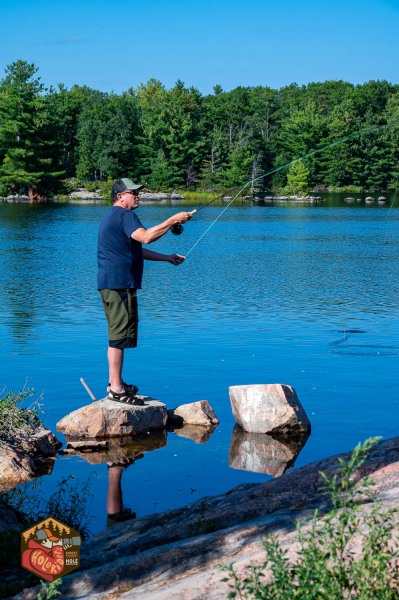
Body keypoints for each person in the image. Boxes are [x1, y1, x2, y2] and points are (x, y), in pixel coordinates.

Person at [97, 177, 194, 405]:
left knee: (117, 334)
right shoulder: (124, 215)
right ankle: (116, 389)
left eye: (138, 192)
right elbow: (147, 237)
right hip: (119, 283)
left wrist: (167, 258)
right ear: (120, 196)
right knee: (118, 336)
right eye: (133, 193)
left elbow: (136, 250)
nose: (137, 195)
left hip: (112, 283)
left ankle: (115, 383)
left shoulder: (112, 216)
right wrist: (173, 219)